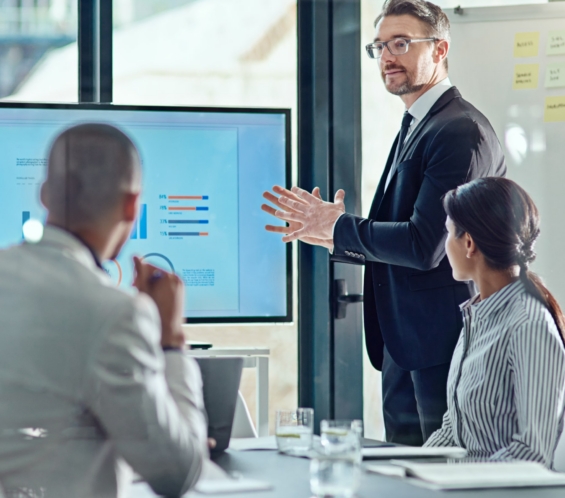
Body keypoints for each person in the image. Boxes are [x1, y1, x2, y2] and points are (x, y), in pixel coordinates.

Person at [262, 0, 506, 446]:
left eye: (401, 43)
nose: (387, 57)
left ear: (440, 49)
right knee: (404, 472)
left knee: (441, 474)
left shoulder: (459, 131)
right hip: (405, 343)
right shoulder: (418, 124)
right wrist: (329, 231)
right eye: (379, 47)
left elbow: (424, 243)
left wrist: (338, 227)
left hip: (443, 346)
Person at [0, 124, 208, 497]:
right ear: (132, 204)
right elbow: (177, 473)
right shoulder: (115, 313)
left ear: (45, 194)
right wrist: (171, 341)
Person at [424, 177, 565, 467]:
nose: (445, 243)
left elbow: (533, 453)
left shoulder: (529, 325)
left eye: (448, 232)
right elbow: (453, 430)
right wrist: (404, 472)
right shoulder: (477, 317)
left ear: (469, 243)